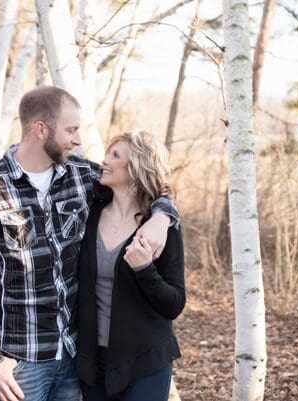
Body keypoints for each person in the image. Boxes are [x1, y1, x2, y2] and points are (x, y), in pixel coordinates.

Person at [0, 86, 178, 401]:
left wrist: (163, 215)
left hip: (77, 358)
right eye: (71, 130)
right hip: (21, 360)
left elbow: (145, 183)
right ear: (41, 129)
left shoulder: (82, 175)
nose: (78, 140)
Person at [76, 131, 186, 401]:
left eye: (115, 155)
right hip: (92, 361)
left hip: (144, 361)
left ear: (136, 168)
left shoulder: (160, 227)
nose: (104, 161)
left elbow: (175, 303)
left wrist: (145, 269)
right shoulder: (90, 212)